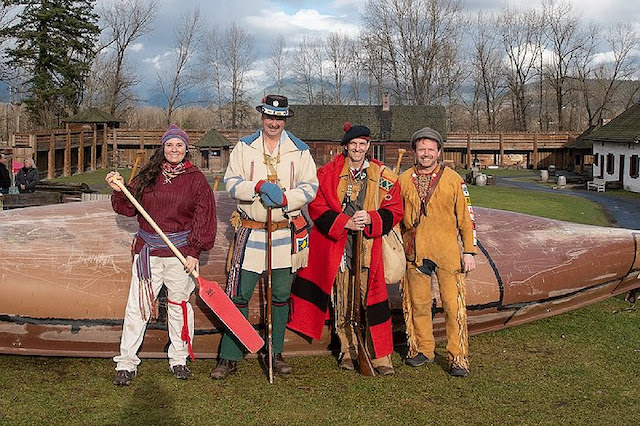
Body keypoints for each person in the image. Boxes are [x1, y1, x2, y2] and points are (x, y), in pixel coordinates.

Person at [210, 94, 318, 380]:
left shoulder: (300, 150)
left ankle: (275, 351)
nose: (273, 123)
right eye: (269, 117)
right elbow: (232, 184)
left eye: (278, 118)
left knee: (280, 296)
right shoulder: (245, 147)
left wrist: (286, 199)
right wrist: (256, 187)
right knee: (239, 295)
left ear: (285, 120)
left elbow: (310, 188)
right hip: (250, 231)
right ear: (262, 117)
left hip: (282, 232)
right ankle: (230, 355)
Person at [105, 124, 217, 386]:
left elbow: (204, 217)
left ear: (186, 149)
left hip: (180, 255)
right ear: (163, 148)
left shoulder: (196, 180)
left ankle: (178, 359)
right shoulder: (149, 175)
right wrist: (118, 188)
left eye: (179, 145)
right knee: (138, 308)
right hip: (148, 253)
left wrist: (194, 252)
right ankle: (126, 362)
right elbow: (126, 208)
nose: (174, 149)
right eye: (169, 144)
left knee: (178, 306)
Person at [288, 123, 403, 376]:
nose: (358, 149)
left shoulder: (383, 175)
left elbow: (395, 208)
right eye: (353, 145)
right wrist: (344, 222)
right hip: (338, 248)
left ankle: (381, 355)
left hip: (368, 249)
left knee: (372, 299)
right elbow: (316, 206)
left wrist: (371, 217)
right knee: (342, 301)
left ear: (368, 146)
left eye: (362, 144)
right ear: (346, 146)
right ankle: (348, 350)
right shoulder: (327, 173)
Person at [398, 126, 477, 378]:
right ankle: (423, 349)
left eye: (431, 149)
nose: (426, 153)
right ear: (414, 152)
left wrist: (470, 251)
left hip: (447, 253)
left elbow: (467, 218)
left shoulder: (453, 179)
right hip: (415, 252)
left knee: (453, 307)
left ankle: (457, 356)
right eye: (421, 149)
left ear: (439, 152)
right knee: (418, 304)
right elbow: (395, 216)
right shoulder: (403, 180)